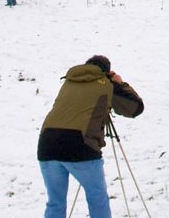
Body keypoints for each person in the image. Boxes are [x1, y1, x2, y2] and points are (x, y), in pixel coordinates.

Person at [38, 55, 144, 218]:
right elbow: (135, 108)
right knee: (97, 199)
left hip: (47, 143)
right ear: (106, 71)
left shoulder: (69, 81)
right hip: (80, 144)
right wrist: (119, 83)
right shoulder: (106, 84)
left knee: (55, 202)